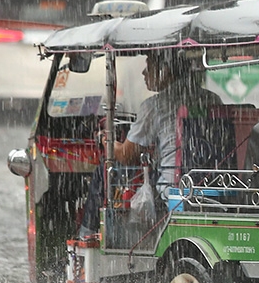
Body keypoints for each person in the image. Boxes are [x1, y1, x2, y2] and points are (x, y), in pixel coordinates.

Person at [79, 49, 222, 235]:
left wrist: (107, 141)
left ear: (166, 70)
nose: (144, 72)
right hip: (209, 184)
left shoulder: (155, 105)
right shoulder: (212, 99)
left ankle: (87, 235)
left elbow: (125, 156)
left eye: (149, 65)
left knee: (103, 171)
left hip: (173, 188)